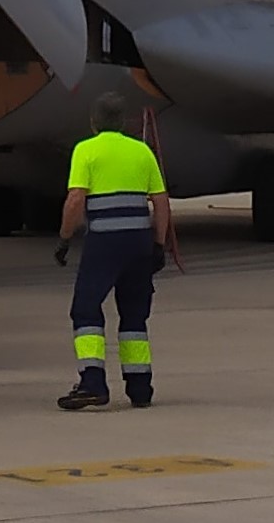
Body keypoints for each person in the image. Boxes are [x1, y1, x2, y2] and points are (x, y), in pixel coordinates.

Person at [56, 102, 183, 411]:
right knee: (135, 316)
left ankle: (92, 383)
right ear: (125, 121)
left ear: (93, 122)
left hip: (104, 244)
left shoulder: (86, 150)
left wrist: (64, 237)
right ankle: (140, 388)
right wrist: (157, 244)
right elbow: (162, 202)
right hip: (138, 243)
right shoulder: (142, 152)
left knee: (85, 310)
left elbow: (75, 200)